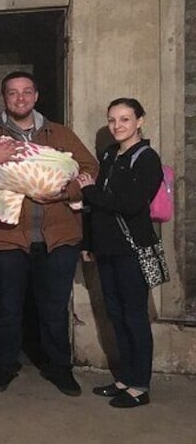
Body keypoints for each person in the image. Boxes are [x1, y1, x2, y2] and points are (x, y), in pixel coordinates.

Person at [0, 71, 98, 396]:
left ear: (36, 96)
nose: (20, 98)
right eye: (13, 93)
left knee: (54, 307)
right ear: (4, 98)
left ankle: (58, 367)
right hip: (6, 235)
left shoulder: (60, 134)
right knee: (7, 307)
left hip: (57, 237)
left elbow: (90, 169)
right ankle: (4, 366)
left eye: (26, 92)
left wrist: (68, 192)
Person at [77, 98, 163, 408]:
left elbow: (130, 204)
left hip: (132, 250)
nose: (118, 126)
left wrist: (90, 190)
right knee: (116, 314)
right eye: (113, 120)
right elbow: (96, 210)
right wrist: (89, 243)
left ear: (140, 121)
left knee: (134, 316)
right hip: (107, 249)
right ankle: (125, 379)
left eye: (125, 119)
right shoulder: (110, 155)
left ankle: (140, 386)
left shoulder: (147, 158)